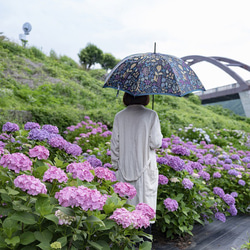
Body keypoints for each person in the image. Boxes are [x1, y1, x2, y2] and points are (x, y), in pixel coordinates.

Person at [111, 92, 163, 235]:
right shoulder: (151, 115)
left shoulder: (119, 116)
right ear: (146, 97)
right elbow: (155, 143)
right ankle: (144, 243)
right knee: (144, 209)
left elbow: (115, 145)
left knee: (125, 209)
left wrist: (115, 165)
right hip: (145, 168)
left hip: (124, 166)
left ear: (126, 96)